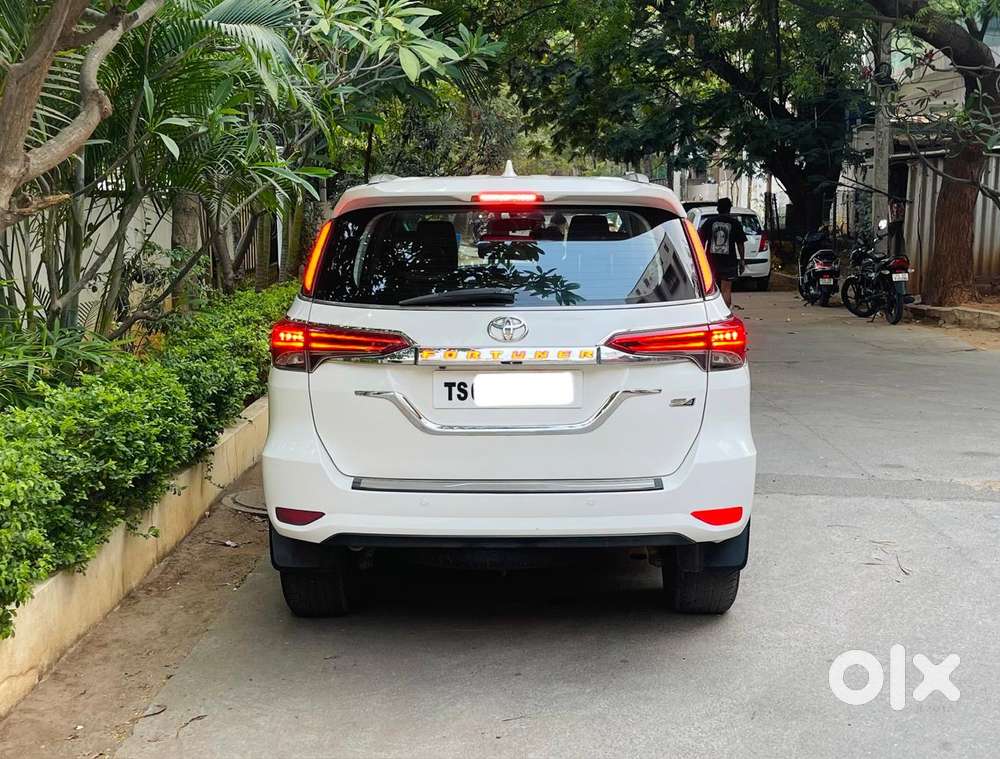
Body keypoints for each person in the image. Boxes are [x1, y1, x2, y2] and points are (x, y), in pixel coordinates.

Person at [698, 197, 747, 307]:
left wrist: (700, 260)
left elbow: (700, 242)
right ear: (730, 208)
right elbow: (740, 244)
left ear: (717, 209)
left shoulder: (709, 222)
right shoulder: (735, 223)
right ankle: (725, 314)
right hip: (729, 262)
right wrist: (742, 260)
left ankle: (712, 312)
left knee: (710, 289)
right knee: (726, 290)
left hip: (711, 262)